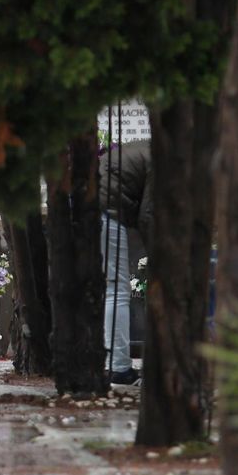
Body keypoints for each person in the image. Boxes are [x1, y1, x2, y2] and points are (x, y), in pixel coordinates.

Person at [98, 137, 153, 386]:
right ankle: (118, 367)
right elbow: (148, 216)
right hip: (108, 213)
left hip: (90, 207)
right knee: (117, 291)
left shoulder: (144, 148)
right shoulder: (162, 159)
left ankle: (110, 362)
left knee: (108, 289)